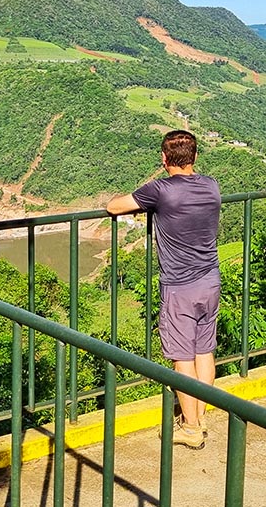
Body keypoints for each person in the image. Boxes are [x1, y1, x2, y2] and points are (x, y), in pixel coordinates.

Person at [106, 130, 221, 450]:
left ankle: (191, 427)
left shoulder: (160, 190)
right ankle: (200, 413)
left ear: (164, 159)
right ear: (195, 157)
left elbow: (115, 207)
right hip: (210, 280)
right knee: (204, 351)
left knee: (182, 357)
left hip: (179, 287)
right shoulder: (212, 186)